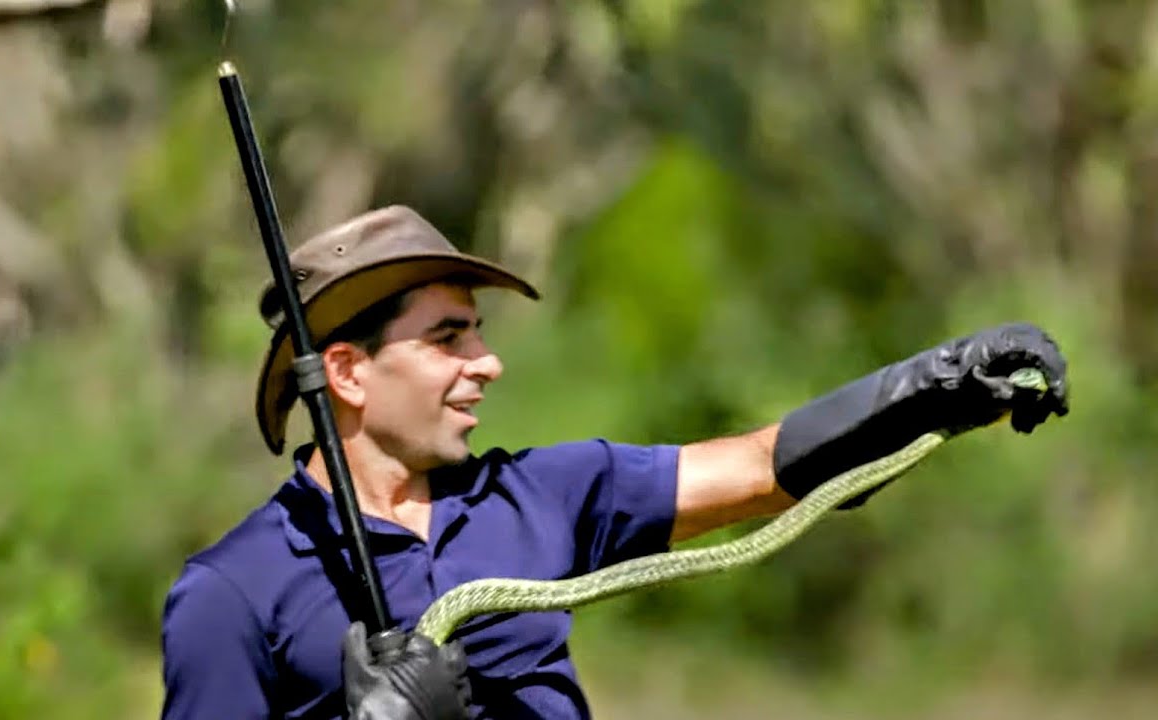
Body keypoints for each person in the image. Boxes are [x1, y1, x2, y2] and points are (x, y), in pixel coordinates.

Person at [159, 205, 1069, 719]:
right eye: (449, 338)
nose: (488, 362)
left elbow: (763, 466)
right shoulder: (233, 594)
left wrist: (942, 385)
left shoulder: (544, 495)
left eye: (479, 331)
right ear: (350, 372)